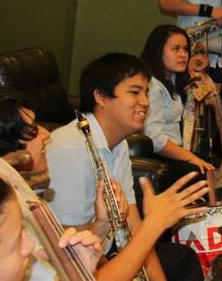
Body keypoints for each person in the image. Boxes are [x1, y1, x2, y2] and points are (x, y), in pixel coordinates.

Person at [0, 89, 205, 281]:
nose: (46, 134)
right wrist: (153, 225)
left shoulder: (24, 198)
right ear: (4, 150)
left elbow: (64, 255)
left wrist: (100, 225)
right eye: (32, 129)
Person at [45, 54, 208, 281]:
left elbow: (134, 226)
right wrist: (154, 225)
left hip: (107, 251)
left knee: (183, 258)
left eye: (146, 92)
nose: (145, 101)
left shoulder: (119, 144)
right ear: (101, 96)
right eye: (134, 92)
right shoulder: (71, 149)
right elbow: (75, 259)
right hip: (76, 264)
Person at [140, 24, 214, 176]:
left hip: (175, 152)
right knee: (210, 171)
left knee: (220, 164)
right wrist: (190, 157)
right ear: (158, 51)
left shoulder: (172, 79)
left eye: (186, 49)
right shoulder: (152, 85)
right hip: (160, 157)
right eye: (176, 49)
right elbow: (153, 138)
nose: (183, 55)